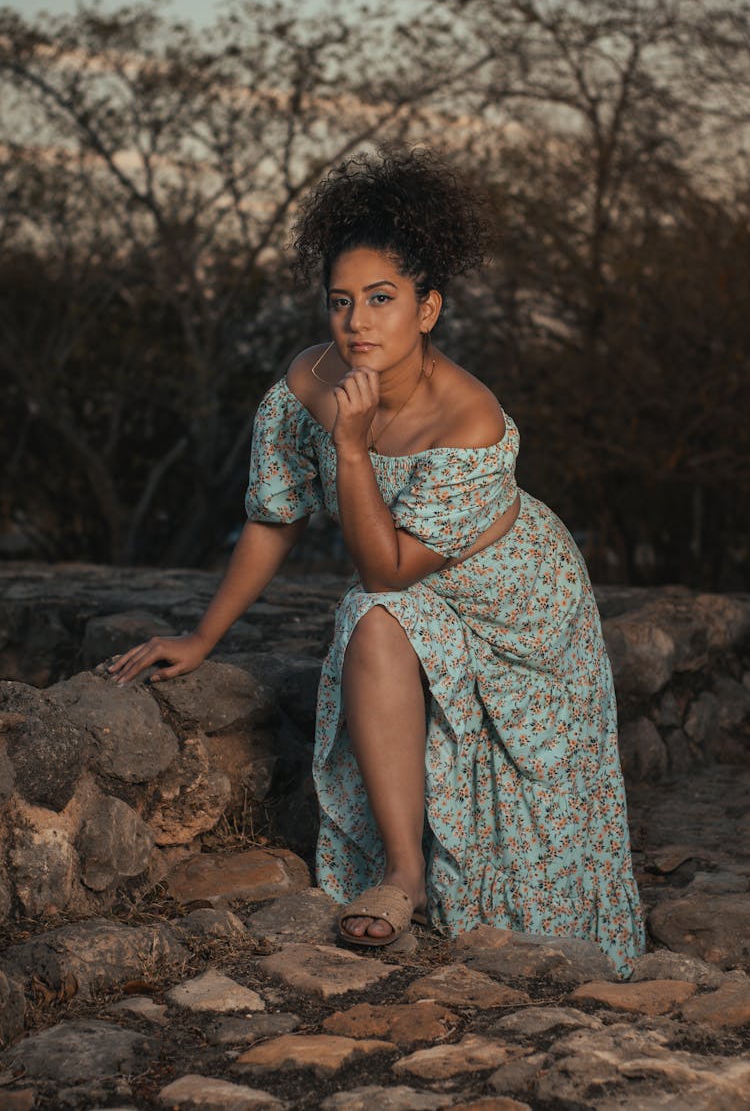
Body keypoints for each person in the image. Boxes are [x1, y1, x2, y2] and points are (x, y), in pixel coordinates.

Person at [110, 149, 644, 976]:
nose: (358, 322)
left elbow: (388, 563)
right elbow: (274, 518)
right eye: (342, 302)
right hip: (412, 590)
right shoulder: (311, 380)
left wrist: (353, 451)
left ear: (428, 308)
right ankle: (404, 872)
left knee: (539, 894)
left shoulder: (467, 418)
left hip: (521, 613)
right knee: (372, 614)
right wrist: (203, 636)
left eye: (383, 300)